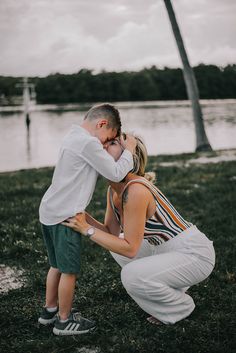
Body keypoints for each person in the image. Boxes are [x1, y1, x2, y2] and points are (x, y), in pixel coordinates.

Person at [63, 135, 216, 326]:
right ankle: (167, 286)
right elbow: (110, 233)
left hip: (194, 253)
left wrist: (86, 229)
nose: (102, 146)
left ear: (128, 157)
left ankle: (180, 307)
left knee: (131, 275)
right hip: (164, 247)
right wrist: (81, 216)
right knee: (115, 242)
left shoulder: (135, 190)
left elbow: (130, 248)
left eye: (112, 144)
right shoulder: (114, 190)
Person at [38, 103, 137, 336]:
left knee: (56, 265)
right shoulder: (89, 142)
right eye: (108, 138)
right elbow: (114, 173)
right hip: (66, 216)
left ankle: (49, 311)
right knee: (69, 271)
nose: (104, 145)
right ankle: (64, 321)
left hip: (49, 211)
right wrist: (129, 150)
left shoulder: (73, 135)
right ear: (101, 124)